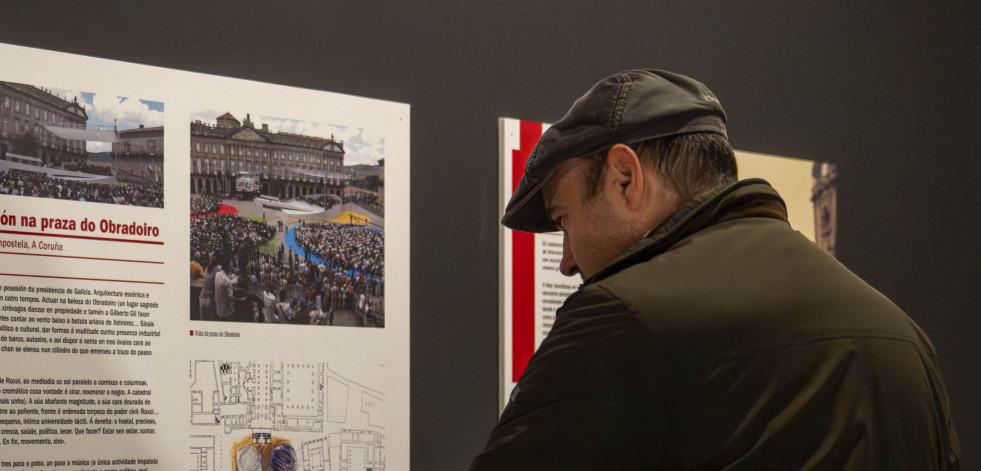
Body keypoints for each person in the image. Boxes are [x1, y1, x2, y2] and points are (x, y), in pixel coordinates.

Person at [469, 70, 960, 470]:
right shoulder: (903, 335)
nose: (568, 260)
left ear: (624, 178)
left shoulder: (623, 315)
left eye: (563, 220)